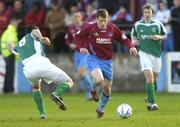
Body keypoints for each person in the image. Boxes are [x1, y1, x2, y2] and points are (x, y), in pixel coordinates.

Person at [75, 9, 138, 118]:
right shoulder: (89, 27)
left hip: (107, 62)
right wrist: (81, 47)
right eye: (100, 21)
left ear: (108, 19)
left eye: (105, 21)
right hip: (93, 58)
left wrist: (131, 47)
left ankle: (100, 109)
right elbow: (77, 36)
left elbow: (124, 39)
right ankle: (93, 89)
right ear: (96, 19)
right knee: (99, 79)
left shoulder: (112, 28)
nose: (103, 23)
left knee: (107, 90)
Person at [7, 25, 73, 119]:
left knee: (36, 88)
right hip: (41, 64)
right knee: (69, 81)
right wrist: (41, 38)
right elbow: (34, 31)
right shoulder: (32, 35)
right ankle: (56, 94)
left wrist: (10, 48)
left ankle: (42, 114)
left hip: (29, 71)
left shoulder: (19, 44)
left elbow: (13, 51)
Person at [131, 4, 167, 111]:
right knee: (149, 77)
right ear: (143, 13)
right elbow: (133, 35)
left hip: (156, 54)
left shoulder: (158, 24)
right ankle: (152, 104)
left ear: (152, 13)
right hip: (144, 53)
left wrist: (159, 37)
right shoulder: (138, 25)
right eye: (145, 12)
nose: (147, 14)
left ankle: (149, 96)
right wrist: (134, 42)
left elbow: (165, 35)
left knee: (154, 80)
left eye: (149, 12)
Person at [65, 11, 93, 100]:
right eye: (75, 16)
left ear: (81, 17)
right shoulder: (71, 28)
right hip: (77, 53)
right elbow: (67, 39)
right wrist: (70, 45)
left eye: (78, 16)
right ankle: (89, 94)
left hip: (85, 53)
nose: (76, 18)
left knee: (81, 72)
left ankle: (93, 88)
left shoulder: (86, 26)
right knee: (80, 75)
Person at [1, 15, 21, 93]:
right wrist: (13, 53)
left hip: (6, 54)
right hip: (9, 55)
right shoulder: (11, 31)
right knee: (10, 74)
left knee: (8, 73)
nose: (18, 24)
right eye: (16, 22)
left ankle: (6, 90)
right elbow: (10, 44)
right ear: (12, 22)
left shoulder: (8, 31)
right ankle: (9, 90)